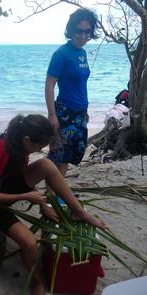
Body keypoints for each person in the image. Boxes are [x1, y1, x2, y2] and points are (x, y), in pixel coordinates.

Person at [0, 114, 107, 295]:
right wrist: (26, 196)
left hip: (7, 187)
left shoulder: (20, 145)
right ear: (27, 139)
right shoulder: (1, 150)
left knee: (46, 164)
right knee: (29, 243)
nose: (39, 150)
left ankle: (78, 212)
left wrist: (43, 205)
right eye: (39, 146)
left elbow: (20, 177)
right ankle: (37, 282)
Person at [45, 8, 99, 176]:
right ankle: (50, 193)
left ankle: (58, 193)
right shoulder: (61, 54)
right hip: (64, 112)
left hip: (79, 113)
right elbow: (49, 85)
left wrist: (84, 110)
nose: (83, 36)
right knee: (57, 154)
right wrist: (52, 114)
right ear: (71, 30)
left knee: (68, 155)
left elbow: (79, 84)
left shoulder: (82, 53)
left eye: (87, 31)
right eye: (79, 31)